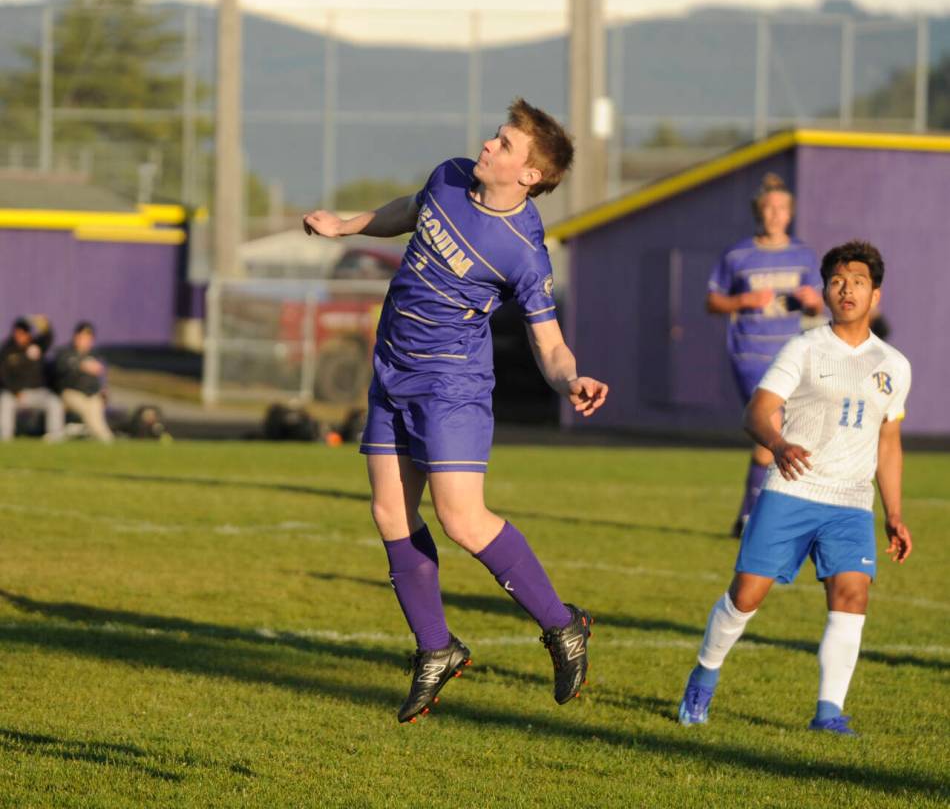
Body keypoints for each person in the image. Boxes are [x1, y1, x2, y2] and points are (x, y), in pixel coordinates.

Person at [303, 98, 609, 723]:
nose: (488, 146)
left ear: (529, 175)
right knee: (389, 511)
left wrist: (571, 378)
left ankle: (563, 625)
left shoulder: (524, 251)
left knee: (461, 520)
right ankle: (435, 647)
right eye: (495, 136)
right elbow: (408, 212)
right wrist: (346, 226)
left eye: (503, 144)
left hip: (451, 386)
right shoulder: (449, 175)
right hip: (392, 371)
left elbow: (548, 341)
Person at [678, 240, 912, 736]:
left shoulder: (895, 365)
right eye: (837, 281)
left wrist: (893, 512)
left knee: (852, 596)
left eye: (858, 281)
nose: (847, 289)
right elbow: (756, 412)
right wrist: (779, 444)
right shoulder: (804, 347)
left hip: (850, 502)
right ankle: (705, 674)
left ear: (876, 294)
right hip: (791, 490)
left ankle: (829, 712)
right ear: (825, 290)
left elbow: (888, 442)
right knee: (746, 596)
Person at [707, 173, 824, 536]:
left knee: (778, 437)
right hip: (751, 356)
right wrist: (742, 300)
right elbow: (713, 300)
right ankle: (755, 519)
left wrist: (812, 301)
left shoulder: (803, 254)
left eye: (781, 208)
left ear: (790, 213)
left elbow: (818, 308)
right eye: (769, 208)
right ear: (760, 212)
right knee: (771, 429)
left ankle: (748, 517)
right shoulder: (739, 254)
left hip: (791, 356)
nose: (775, 215)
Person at [0, 315, 65, 441]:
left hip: (37, 392)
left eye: (23, 333)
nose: (20, 336)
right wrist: (14, 390)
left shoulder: (36, 346)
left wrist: (46, 327)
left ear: (28, 334)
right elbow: (3, 375)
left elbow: (48, 337)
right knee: (5, 400)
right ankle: (5, 438)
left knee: (54, 402)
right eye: (17, 333)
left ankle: (55, 437)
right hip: (16, 394)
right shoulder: (7, 349)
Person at [52, 321, 114, 443]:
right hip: (70, 393)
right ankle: (105, 440)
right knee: (88, 408)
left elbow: (101, 380)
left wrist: (103, 391)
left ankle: (105, 439)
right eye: (82, 336)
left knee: (94, 406)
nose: (84, 340)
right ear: (76, 337)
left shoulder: (95, 356)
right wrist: (81, 365)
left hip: (91, 395)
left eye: (88, 337)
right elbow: (61, 368)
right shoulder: (66, 352)